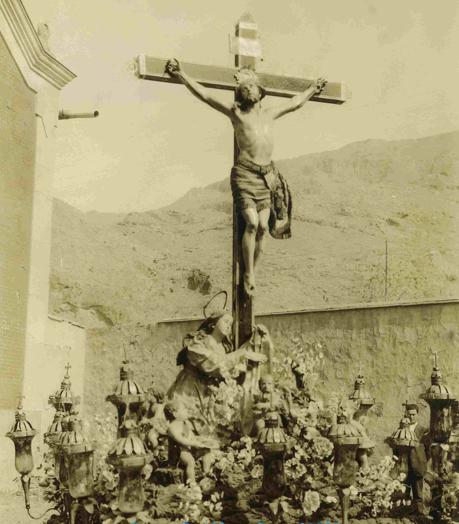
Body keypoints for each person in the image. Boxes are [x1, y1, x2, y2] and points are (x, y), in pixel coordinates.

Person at [165, 58, 326, 296]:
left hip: (266, 177)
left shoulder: (271, 114)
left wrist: (312, 89)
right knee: (251, 223)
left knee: (263, 227)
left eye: (252, 86)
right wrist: (182, 75)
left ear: (260, 93)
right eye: (244, 87)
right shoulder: (236, 114)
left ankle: (253, 272)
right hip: (245, 173)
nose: (248, 90)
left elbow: (295, 103)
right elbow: (206, 97)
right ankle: (248, 272)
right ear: (240, 94)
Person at [167, 310, 267, 411]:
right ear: (213, 324)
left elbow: (227, 367)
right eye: (226, 321)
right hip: (190, 390)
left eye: (230, 324)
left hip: (209, 392)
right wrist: (243, 354)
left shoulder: (223, 347)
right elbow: (214, 363)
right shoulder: (199, 343)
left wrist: (256, 337)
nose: (228, 326)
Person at [164, 398, 219, 485]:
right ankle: (191, 482)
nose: (187, 411)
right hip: (179, 452)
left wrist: (201, 441)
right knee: (190, 461)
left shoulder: (185, 423)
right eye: (184, 409)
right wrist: (194, 443)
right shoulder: (172, 427)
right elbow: (181, 440)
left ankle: (206, 472)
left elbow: (191, 436)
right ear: (175, 414)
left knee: (207, 451)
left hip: (189, 449)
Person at [404, 403, 429, 514]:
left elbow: (427, 449)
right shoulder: (402, 428)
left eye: (414, 414)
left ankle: (419, 514)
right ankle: (403, 512)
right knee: (404, 490)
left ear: (417, 414)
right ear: (406, 414)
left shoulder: (423, 430)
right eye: (409, 414)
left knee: (418, 492)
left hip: (418, 464)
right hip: (405, 465)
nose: (411, 417)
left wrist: (422, 461)